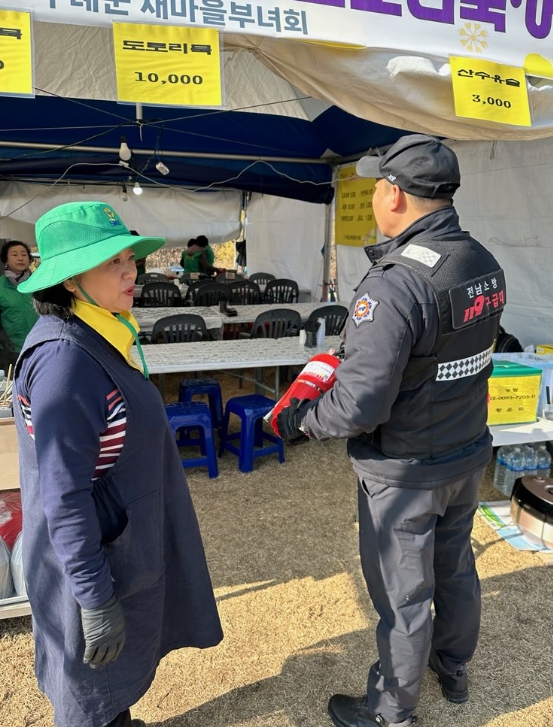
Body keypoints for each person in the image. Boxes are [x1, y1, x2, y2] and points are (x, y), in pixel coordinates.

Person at [275, 135, 506, 727]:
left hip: (405, 469)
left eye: (378, 184)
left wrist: (304, 420)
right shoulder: (482, 260)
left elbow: (360, 405)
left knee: (404, 594)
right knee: (454, 567)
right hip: (464, 451)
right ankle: (452, 667)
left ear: (395, 195)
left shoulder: (395, 283)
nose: (376, 194)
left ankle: (390, 711)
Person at [14, 201, 223, 727]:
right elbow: (64, 496)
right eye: (112, 262)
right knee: (90, 691)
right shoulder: (65, 363)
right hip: (89, 560)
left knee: (112, 684)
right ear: (69, 280)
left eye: (129, 258)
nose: (131, 271)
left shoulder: (98, 332)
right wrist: (94, 596)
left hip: (116, 545)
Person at [0, 240, 39, 367]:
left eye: (24, 254)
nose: (20, 258)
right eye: (14, 254)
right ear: (6, 259)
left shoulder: (40, 283)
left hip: (39, 346)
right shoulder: (1, 285)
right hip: (9, 351)